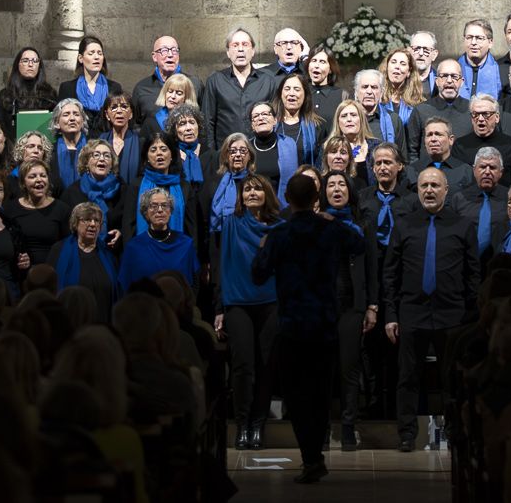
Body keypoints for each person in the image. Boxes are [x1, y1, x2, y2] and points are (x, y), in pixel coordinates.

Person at [253, 172, 368, 483]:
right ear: (315, 200)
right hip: (325, 324)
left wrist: (264, 245)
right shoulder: (330, 230)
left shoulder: (280, 234)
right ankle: (314, 457)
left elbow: (258, 275)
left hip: (292, 326)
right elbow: (360, 245)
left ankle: (311, 458)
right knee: (319, 394)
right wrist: (333, 223)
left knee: (297, 396)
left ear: (288, 200)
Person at [382, 166, 481, 451]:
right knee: (407, 377)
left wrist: (470, 316)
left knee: (453, 378)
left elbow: (473, 275)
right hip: (412, 311)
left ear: (446, 190)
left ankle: (456, 431)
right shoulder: (404, 224)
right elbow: (391, 273)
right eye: (424, 185)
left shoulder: (463, 226)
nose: (428, 190)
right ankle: (407, 434)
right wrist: (391, 314)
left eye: (434, 186)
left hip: (452, 315)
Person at [214, 174, 280, 448]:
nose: (252, 193)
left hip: (272, 302)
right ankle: (242, 423)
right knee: (242, 366)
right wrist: (220, 308)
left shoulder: (279, 227)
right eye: (247, 189)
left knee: (266, 366)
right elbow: (223, 265)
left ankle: (258, 424)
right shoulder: (231, 224)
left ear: (267, 194)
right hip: (238, 302)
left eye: (257, 189)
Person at [317, 170, 378, 450]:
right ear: (324, 192)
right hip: (321, 306)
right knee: (323, 369)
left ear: (350, 191)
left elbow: (371, 268)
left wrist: (372, 306)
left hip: (352, 305)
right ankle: (322, 427)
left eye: (342, 184)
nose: (337, 189)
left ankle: (349, 426)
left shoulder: (362, 224)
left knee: (349, 368)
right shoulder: (315, 224)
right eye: (331, 185)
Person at [202, 28, 274, 144]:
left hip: (260, 150)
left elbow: (275, 119)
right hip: (226, 153)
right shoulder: (215, 80)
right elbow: (207, 122)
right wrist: (212, 155)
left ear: (253, 50)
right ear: (228, 52)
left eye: (245, 45)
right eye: (235, 45)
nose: (240, 49)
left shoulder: (267, 81)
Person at [120, 187, 199, 290]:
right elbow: (125, 287)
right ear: (145, 212)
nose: (160, 210)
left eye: (165, 205)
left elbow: (194, 284)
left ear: (170, 211)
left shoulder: (185, 244)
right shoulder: (133, 247)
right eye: (154, 206)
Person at [54, 201, 123, 318]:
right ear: (75, 224)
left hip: (103, 322)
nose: (92, 224)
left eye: (96, 221)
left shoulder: (108, 254)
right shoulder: (59, 250)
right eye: (86, 219)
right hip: (72, 322)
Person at [126, 133, 193, 244]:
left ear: (172, 155)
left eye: (163, 149)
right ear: (146, 157)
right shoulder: (136, 186)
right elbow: (128, 226)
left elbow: (192, 226)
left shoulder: (184, 186)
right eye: (153, 150)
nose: (159, 153)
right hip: (144, 253)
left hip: (177, 252)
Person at [2, 160, 72, 267]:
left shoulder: (62, 209)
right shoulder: (10, 209)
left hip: (53, 270)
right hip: (20, 273)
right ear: (23, 183)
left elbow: (68, 246)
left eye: (43, 176)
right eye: (32, 176)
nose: (39, 180)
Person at [58, 33, 123, 135]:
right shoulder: (67, 88)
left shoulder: (114, 88)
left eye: (100, 53)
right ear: (81, 58)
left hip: (107, 143)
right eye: (91, 53)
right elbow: (62, 122)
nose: (96, 57)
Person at [59, 140, 127, 237]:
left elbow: (128, 224)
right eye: (96, 155)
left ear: (112, 164)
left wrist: (120, 233)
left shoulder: (123, 190)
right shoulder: (72, 193)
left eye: (107, 156)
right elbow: (65, 228)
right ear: (86, 162)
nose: (102, 159)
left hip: (113, 249)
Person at [273, 71, 322, 195]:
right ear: (281, 93)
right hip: (274, 190)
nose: (291, 93)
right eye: (287, 89)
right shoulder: (271, 125)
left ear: (305, 94)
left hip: (306, 192)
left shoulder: (317, 126)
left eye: (297, 89)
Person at [458, 95, 511, 184]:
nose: (481, 119)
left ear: (497, 117)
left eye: (486, 114)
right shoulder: (460, 145)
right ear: (471, 118)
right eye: (476, 114)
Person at [0, 45, 58, 135]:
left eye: (35, 61)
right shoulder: (5, 95)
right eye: (25, 60)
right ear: (18, 65)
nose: (30, 64)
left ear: (39, 66)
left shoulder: (50, 94)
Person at [402, 118, 475, 197]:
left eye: (438, 134)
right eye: (429, 135)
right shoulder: (411, 171)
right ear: (424, 141)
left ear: (451, 140)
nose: (433, 139)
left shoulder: (466, 172)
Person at [462, 148, 511, 255]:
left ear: (501, 172)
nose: (487, 172)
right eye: (482, 167)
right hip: (466, 261)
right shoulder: (459, 198)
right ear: (474, 170)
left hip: (500, 261)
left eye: (492, 167)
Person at [203, 133, 255, 231]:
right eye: (233, 151)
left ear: (250, 156)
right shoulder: (215, 184)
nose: (238, 155)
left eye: (243, 151)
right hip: (221, 237)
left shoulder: (257, 183)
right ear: (226, 156)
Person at [415, 57, 473, 139]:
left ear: (462, 82)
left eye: (454, 76)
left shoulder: (472, 111)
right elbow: (412, 149)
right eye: (444, 76)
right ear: (437, 81)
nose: (449, 80)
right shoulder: (421, 111)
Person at [351, 67, 405, 153]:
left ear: (381, 92)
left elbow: (401, 157)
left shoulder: (393, 120)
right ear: (356, 92)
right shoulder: (346, 119)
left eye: (374, 87)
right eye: (365, 87)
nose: (369, 91)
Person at [367, 144, 410, 250]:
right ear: (373, 168)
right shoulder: (362, 198)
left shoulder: (412, 200)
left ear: (399, 165)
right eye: (378, 163)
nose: (382, 168)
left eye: (387, 162)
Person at [131, 35, 182, 120]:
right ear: (154, 57)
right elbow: (135, 124)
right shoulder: (141, 88)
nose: (170, 55)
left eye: (174, 50)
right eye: (164, 50)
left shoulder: (194, 84)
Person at [456, 19, 506, 102]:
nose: (473, 42)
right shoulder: (453, 70)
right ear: (463, 40)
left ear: (490, 42)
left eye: (479, 38)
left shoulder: (500, 71)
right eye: (469, 37)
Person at [102, 94, 144, 184]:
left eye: (124, 107)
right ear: (107, 115)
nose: (119, 111)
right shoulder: (100, 142)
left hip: (132, 194)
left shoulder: (141, 142)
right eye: (113, 107)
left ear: (131, 114)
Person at [49, 98, 91, 186]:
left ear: (83, 121)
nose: (72, 118)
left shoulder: (93, 149)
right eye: (66, 114)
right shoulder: (50, 152)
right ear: (57, 123)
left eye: (76, 114)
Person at [382, 48, 425, 133]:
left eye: (403, 64)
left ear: (409, 71)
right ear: (387, 67)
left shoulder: (418, 104)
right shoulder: (377, 99)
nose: (397, 67)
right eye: (393, 62)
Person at [148, 73, 198, 138]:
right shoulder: (151, 121)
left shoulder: (194, 122)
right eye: (170, 91)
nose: (173, 96)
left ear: (186, 97)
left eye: (179, 93)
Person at [305, 47, 345, 124]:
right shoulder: (301, 92)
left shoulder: (341, 95)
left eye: (322, 62)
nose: (317, 65)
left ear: (330, 69)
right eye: (314, 60)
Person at [170, 109, 210, 185]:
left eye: (192, 122)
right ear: (174, 130)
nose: (188, 128)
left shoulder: (211, 155)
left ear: (199, 126)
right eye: (182, 124)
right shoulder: (170, 156)